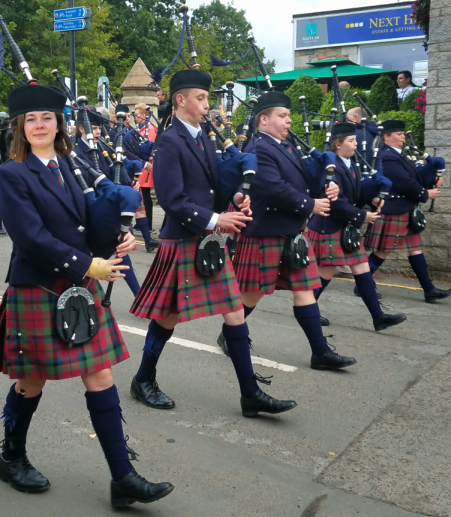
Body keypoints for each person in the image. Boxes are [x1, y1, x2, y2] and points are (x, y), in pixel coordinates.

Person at [0, 83, 174, 506]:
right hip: (38, 285)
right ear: (20, 126)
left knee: (101, 374)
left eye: (48, 118)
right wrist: (89, 265)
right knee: (31, 381)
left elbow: (87, 226)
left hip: (78, 283)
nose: (40, 125)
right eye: (32, 119)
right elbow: (31, 237)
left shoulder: (71, 166)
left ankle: (123, 477)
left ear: (59, 124)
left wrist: (115, 243)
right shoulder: (12, 174)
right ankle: (12, 456)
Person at [129, 69, 297, 417]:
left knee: (235, 312)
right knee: (168, 316)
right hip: (183, 240)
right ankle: (143, 379)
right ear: (181, 100)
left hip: (208, 241)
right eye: (202, 99)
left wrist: (234, 198)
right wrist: (216, 220)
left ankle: (249, 394)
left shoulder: (203, 139)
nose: (208, 106)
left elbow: (214, 190)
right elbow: (172, 200)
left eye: (207, 99)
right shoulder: (169, 142)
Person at [225, 91, 357, 371]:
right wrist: (311, 205)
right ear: (263, 119)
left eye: (288, 116)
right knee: (252, 294)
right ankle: (229, 334)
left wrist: (327, 186)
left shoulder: (284, 146)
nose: (288, 121)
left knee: (306, 289)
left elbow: (303, 178)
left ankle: (320, 352)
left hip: (290, 232)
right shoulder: (258, 148)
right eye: (282, 116)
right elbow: (273, 188)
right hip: (265, 232)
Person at [308, 122, 407, 332]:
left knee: (362, 268)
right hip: (329, 226)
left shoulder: (350, 163)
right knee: (325, 273)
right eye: (351, 141)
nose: (356, 145)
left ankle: (378, 317)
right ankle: (308, 310)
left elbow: (355, 193)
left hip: (344, 226)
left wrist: (371, 199)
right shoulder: (331, 165)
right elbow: (336, 201)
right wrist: (363, 216)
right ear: (337, 143)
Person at [364, 120, 451, 303]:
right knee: (383, 251)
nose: (403, 136)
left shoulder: (401, 155)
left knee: (414, 249)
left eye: (403, 133)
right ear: (386, 137)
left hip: (404, 209)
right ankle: (362, 283)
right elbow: (404, 183)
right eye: (398, 134)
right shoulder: (387, 157)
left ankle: (429, 289)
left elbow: (417, 176)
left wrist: (432, 180)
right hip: (393, 210)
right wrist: (425, 193)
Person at [72, 111, 143, 298]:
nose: (97, 132)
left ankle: (139, 295)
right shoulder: (76, 153)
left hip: (111, 208)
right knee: (99, 258)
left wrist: (129, 183)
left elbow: (116, 171)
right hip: (92, 212)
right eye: (94, 128)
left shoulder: (102, 149)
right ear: (82, 129)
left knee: (120, 253)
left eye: (98, 128)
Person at [133, 104, 159, 245]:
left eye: (137, 114)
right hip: (141, 165)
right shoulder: (140, 129)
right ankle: (142, 222)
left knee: (147, 196)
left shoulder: (151, 130)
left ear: (143, 115)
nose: (136, 118)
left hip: (147, 166)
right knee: (143, 194)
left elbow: (152, 148)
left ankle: (147, 224)